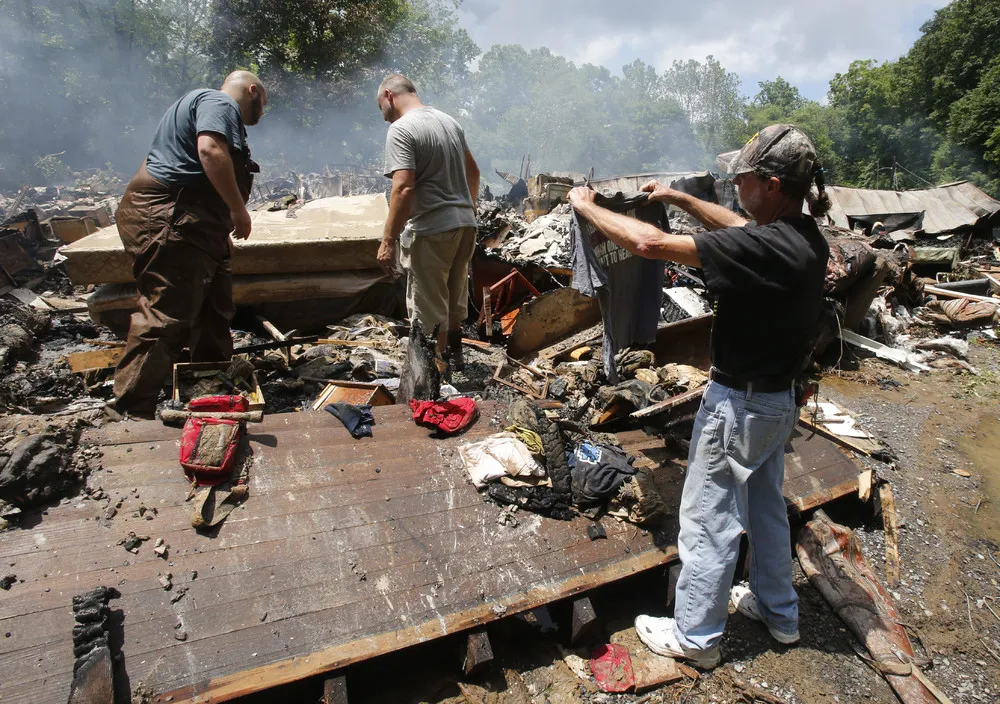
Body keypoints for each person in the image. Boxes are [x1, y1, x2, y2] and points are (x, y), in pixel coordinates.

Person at [568, 124, 831, 669]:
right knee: (765, 510)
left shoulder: (766, 245)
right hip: (778, 403)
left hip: (741, 405)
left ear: (774, 183)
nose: (736, 182)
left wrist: (585, 206)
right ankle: (779, 613)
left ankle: (697, 637)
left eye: (746, 175)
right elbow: (736, 226)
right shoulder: (801, 236)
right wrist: (679, 198)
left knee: (708, 517)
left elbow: (646, 243)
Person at [111, 71, 267, 418]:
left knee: (214, 310)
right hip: (173, 221)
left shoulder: (200, 105)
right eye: (262, 106)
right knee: (166, 314)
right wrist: (238, 209)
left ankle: (210, 395)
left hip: (196, 225)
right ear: (252, 91)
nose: (260, 115)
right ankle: (129, 414)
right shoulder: (219, 101)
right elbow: (210, 150)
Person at [377, 73, 480, 370]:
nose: (384, 116)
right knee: (451, 294)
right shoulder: (450, 122)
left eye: (381, 107)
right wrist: (466, 208)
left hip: (433, 229)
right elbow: (473, 171)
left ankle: (435, 378)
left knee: (428, 309)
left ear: (389, 96)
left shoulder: (401, 129)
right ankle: (456, 360)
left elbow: (403, 188)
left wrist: (388, 240)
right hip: (465, 226)